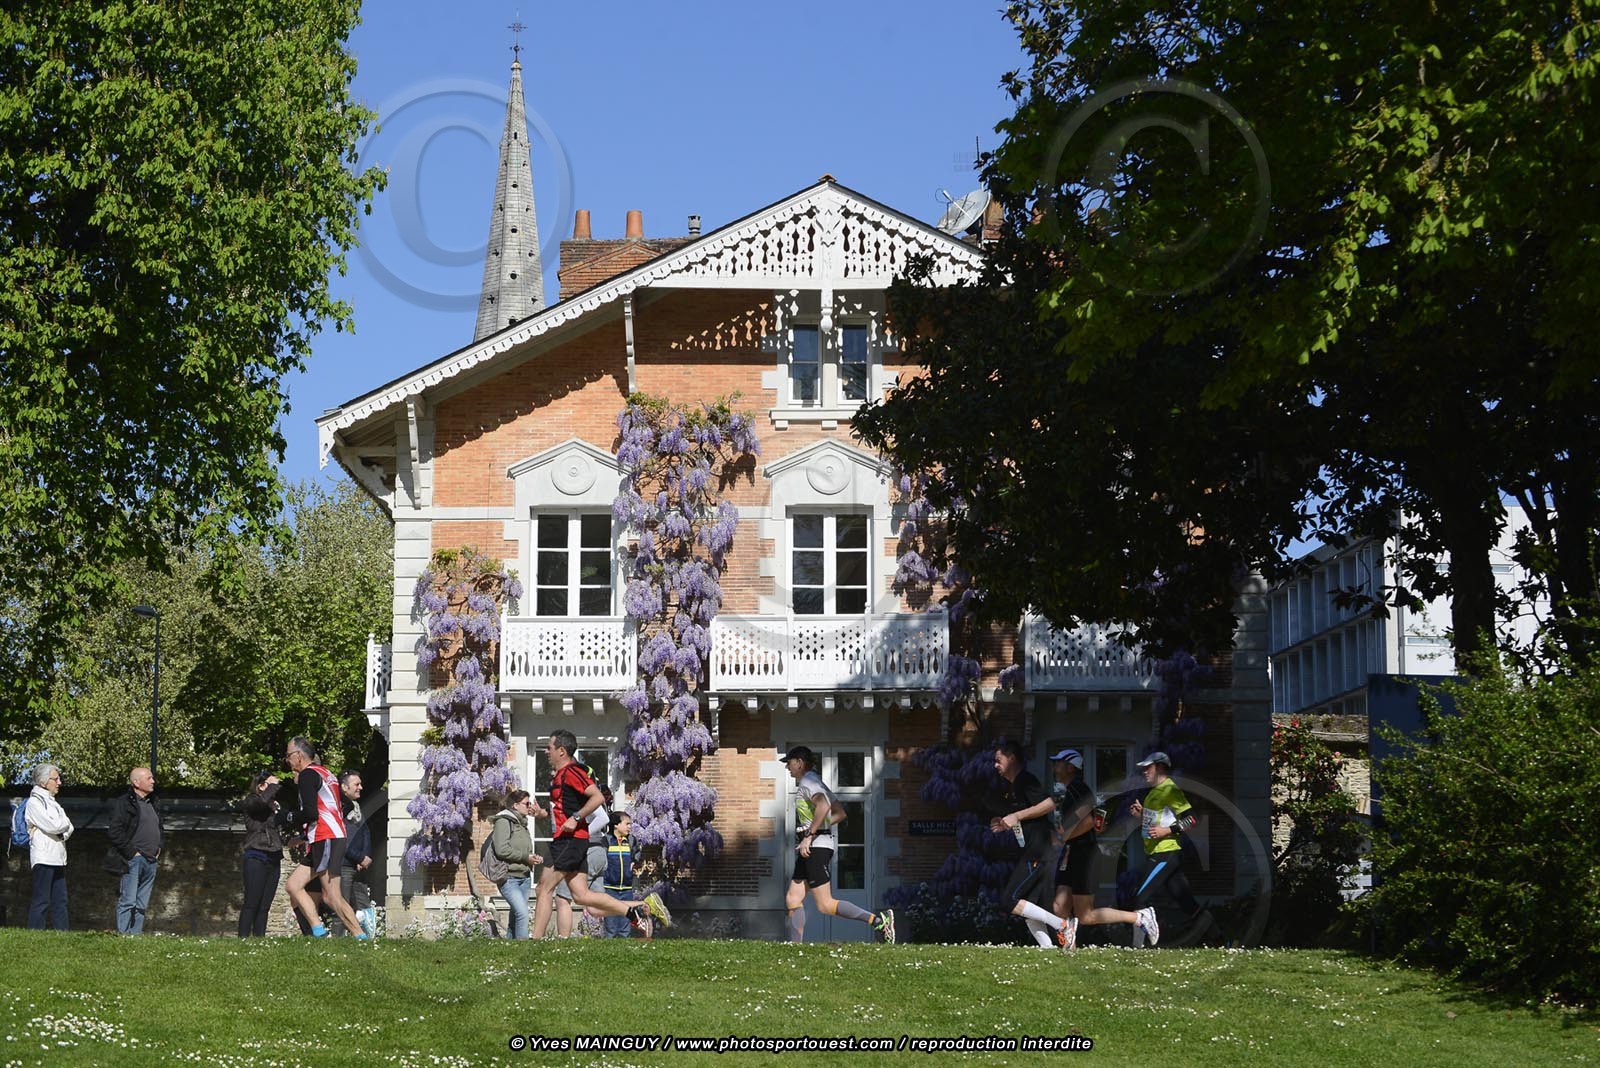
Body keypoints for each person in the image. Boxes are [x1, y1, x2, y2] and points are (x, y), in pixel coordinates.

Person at [531, 730, 668, 939]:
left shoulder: (572, 772)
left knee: (543, 889)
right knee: (582, 896)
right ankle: (636, 910)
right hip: (571, 841)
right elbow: (562, 810)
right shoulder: (560, 775)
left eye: (549, 747)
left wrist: (576, 818)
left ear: (562, 751)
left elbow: (597, 797)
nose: (546, 751)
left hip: (569, 842)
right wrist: (542, 813)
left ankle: (535, 941)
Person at [781, 745, 894, 944]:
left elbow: (823, 805)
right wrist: (815, 829)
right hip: (812, 847)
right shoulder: (816, 782)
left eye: (789, 763)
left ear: (799, 762)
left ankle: (878, 922)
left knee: (825, 904)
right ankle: (794, 947)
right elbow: (840, 813)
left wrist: (809, 835)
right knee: (793, 898)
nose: (787, 767)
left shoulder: (808, 782)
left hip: (816, 847)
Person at [981, 740, 1075, 950]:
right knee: (1027, 903)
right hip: (1033, 850)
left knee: (1009, 900)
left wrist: (1016, 815)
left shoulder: (1026, 780)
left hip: (1038, 850)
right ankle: (1048, 949)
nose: (995, 765)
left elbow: (1050, 803)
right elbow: (1026, 818)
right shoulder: (1013, 786)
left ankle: (1062, 926)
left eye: (998, 760)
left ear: (1011, 757)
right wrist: (1004, 823)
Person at [282, 737, 365, 939]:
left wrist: (287, 817)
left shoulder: (307, 775)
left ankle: (360, 936)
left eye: (288, 755)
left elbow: (311, 813)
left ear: (299, 756)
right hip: (327, 836)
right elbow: (340, 805)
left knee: (331, 896)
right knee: (293, 885)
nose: (287, 761)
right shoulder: (326, 773)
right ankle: (318, 930)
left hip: (326, 837)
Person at [1046, 749, 1099, 950]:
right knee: (1059, 906)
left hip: (1084, 853)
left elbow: (1089, 821)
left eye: (1058, 762)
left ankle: (1138, 918)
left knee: (1085, 915)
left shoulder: (1078, 788)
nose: (1054, 766)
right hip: (1071, 852)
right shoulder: (1067, 791)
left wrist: (1063, 837)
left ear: (1070, 767)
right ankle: (1071, 948)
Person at [106, 766, 163, 934]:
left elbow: (159, 827)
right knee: (128, 900)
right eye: (149, 778)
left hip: (151, 859)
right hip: (134, 860)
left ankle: (135, 935)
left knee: (142, 903)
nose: (153, 781)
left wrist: (159, 847)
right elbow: (115, 831)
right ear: (136, 782)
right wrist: (132, 853)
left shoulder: (153, 802)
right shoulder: (124, 802)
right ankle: (124, 934)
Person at [490, 789, 544, 939]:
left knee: (516, 915)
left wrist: (533, 857)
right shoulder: (503, 821)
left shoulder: (522, 824)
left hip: (524, 877)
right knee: (522, 913)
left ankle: (510, 945)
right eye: (526, 803)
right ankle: (522, 947)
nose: (530, 806)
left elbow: (522, 849)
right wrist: (526, 857)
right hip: (508, 877)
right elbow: (501, 849)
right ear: (515, 805)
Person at [24, 764, 72, 931]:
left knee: (61, 900)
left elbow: (69, 827)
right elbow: (54, 825)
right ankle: (35, 933)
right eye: (55, 779)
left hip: (58, 856)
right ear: (43, 782)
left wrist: (62, 830)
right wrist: (62, 826)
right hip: (44, 857)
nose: (59, 782)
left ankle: (62, 933)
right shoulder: (34, 802)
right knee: (42, 899)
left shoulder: (54, 803)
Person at [239, 771, 287, 937]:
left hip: (274, 856)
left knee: (265, 905)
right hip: (256, 855)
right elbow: (259, 806)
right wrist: (272, 786)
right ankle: (243, 938)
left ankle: (260, 939)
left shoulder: (274, 805)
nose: (274, 788)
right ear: (260, 786)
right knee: (251, 903)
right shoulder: (251, 801)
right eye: (269, 785)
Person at [332, 769, 375, 935]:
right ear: (344, 787)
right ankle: (337, 943)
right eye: (356, 784)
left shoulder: (355, 808)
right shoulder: (341, 809)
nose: (360, 787)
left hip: (357, 865)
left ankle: (365, 939)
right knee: (341, 907)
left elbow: (365, 834)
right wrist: (359, 857)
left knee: (363, 907)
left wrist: (365, 857)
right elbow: (343, 841)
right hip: (343, 865)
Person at [600, 810, 640, 939]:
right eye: (627, 824)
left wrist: (635, 864)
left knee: (625, 924)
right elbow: (601, 862)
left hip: (627, 889)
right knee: (611, 925)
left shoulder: (631, 840)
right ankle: (610, 946)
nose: (630, 827)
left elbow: (637, 855)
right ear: (616, 825)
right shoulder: (606, 840)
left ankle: (624, 946)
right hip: (610, 889)